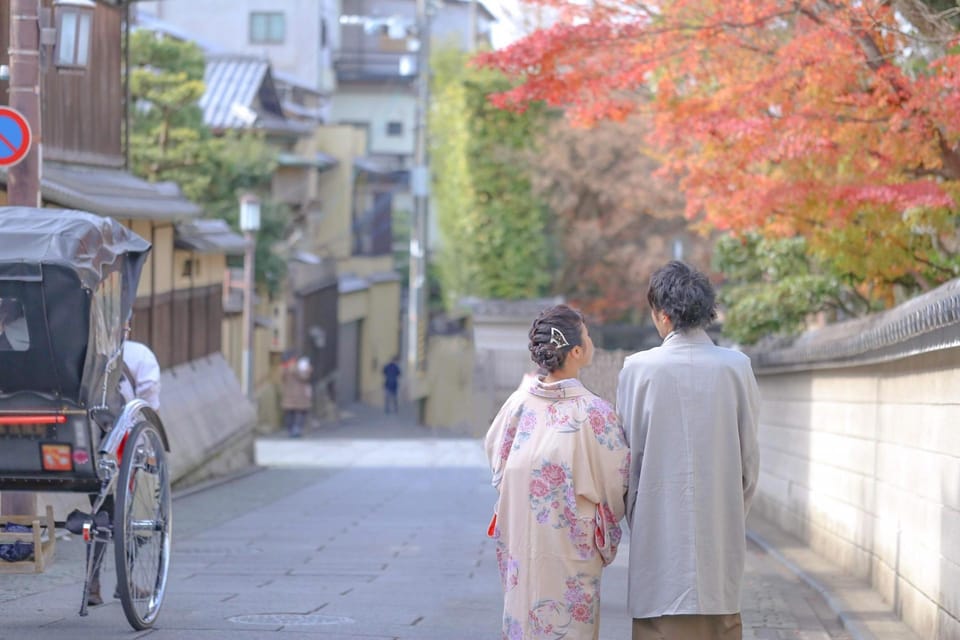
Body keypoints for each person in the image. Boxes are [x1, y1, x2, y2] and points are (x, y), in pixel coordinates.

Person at [616, 261, 760, 640]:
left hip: (657, 526)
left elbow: (627, 463)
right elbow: (749, 464)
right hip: (719, 523)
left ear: (662, 315)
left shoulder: (638, 369)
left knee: (658, 623)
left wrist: (637, 513)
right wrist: (729, 512)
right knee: (720, 619)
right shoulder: (736, 367)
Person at [484, 304, 629, 640]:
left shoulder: (517, 405)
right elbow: (616, 482)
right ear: (577, 351)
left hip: (521, 535)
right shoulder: (595, 414)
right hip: (570, 546)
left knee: (523, 619)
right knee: (568, 628)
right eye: (588, 336)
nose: (591, 342)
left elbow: (497, 462)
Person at [88, 331, 162, 606]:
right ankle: (125, 578)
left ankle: (93, 584)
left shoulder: (84, 351)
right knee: (140, 514)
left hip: (90, 441)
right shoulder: (140, 354)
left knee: (99, 513)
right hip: (128, 442)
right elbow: (149, 406)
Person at [281, 352, 313, 438]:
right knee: (300, 412)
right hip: (300, 395)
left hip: (288, 394)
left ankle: (291, 430)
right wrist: (307, 370)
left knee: (289, 413)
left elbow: (282, 378)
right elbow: (304, 377)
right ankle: (296, 429)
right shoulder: (298, 367)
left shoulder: (285, 367)